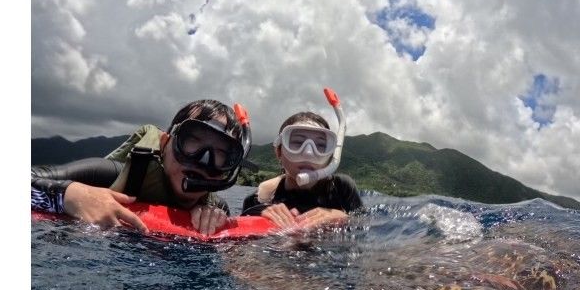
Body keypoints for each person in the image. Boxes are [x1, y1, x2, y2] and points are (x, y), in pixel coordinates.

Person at [31, 99, 252, 235]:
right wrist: (69, 196)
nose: (204, 160)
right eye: (192, 141)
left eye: (221, 154)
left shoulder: (217, 209)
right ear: (165, 143)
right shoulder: (105, 176)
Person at [240, 88, 362, 229]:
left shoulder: (341, 187)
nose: (309, 153)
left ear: (330, 155)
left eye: (321, 145)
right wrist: (261, 216)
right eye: (297, 142)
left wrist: (344, 219)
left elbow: (367, 231)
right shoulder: (258, 200)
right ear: (279, 152)